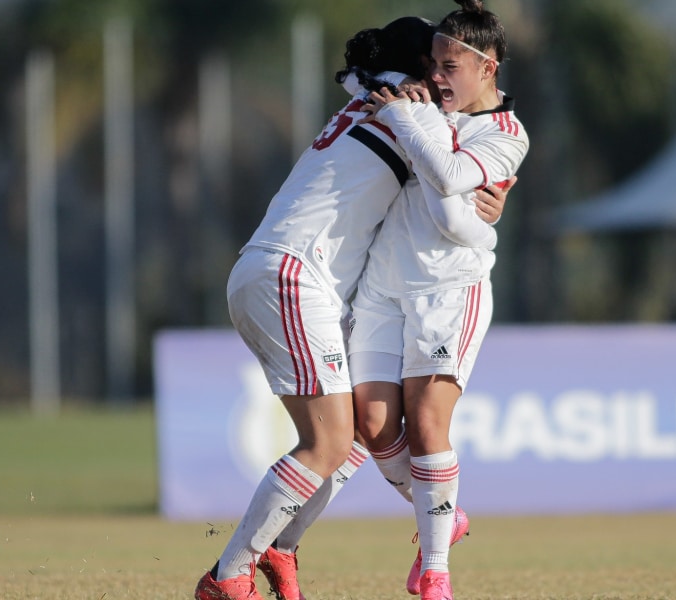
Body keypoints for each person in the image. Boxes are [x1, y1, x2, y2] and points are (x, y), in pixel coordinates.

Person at [193, 15, 512, 600]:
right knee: (329, 442)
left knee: (356, 433)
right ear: (418, 69)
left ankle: (282, 548)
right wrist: (486, 216)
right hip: (294, 274)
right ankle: (228, 575)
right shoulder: (411, 109)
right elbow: (448, 194)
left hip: (276, 271)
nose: (443, 79)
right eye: (435, 65)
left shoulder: (376, 96)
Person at [350, 1, 529, 598]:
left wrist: (403, 116)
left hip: (449, 291)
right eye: (433, 63)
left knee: (428, 425)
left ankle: (435, 575)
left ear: (489, 66)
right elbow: (358, 73)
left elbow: (451, 182)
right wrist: (397, 94)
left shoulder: (506, 134)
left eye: (450, 65)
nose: (437, 76)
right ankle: (447, 516)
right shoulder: (425, 102)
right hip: (383, 285)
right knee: (374, 426)